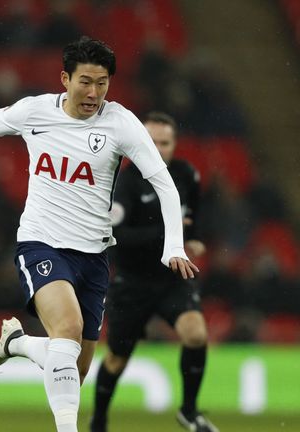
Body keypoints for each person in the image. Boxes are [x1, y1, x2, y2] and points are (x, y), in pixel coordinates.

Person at [0, 36, 199, 432]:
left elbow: (164, 184)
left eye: (102, 83)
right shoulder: (34, 112)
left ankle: (17, 344)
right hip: (41, 242)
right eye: (85, 82)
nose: (93, 93)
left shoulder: (120, 123)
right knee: (67, 331)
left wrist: (172, 245)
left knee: (75, 367)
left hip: (93, 257)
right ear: (65, 79)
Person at [90, 112, 217, 432]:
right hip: (131, 282)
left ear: (175, 145)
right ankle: (99, 420)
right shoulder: (125, 182)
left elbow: (194, 216)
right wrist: (164, 234)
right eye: (152, 142)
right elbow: (116, 239)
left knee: (196, 334)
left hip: (172, 279)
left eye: (166, 143)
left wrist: (196, 238)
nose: (159, 149)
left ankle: (189, 411)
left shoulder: (187, 175)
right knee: (117, 359)